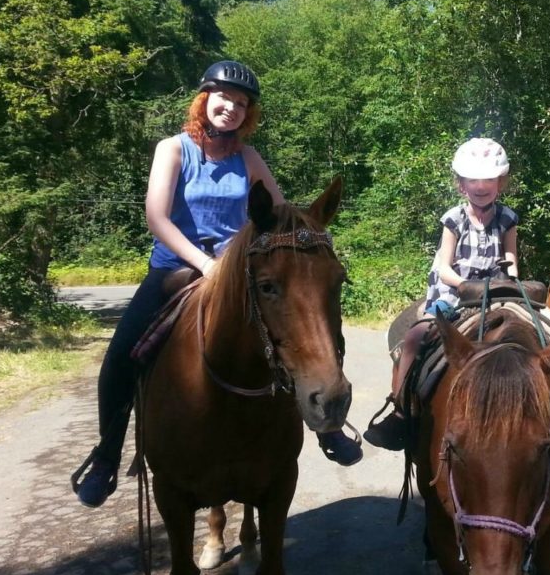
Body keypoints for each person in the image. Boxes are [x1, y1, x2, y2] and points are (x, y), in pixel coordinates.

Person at [73, 60, 361, 509]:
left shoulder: (248, 158)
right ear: (205, 99)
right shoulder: (173, 149)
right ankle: (107, 455)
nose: (232, 107)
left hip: (238, 275)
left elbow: (280, 216)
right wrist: (205, 264)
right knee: (120, 358)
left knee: (299, 333)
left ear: (249, 114)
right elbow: (157, 217)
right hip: (175, 271)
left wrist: (305, 237)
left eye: (242, 103)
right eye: (225, 98)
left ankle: (329, 427)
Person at [364, 138, 519, 450]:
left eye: (488, 179)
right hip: (456, 291)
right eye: (472, 179)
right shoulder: (455, 218)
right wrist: (462, 284)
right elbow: (443, 264)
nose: (480, 186)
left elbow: (511, 257)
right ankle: (400, 408)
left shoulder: (508, 218)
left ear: (500, 182)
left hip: (496, 289)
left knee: (541, 329)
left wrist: (513, 281)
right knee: (417, 336)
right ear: (461, 184)